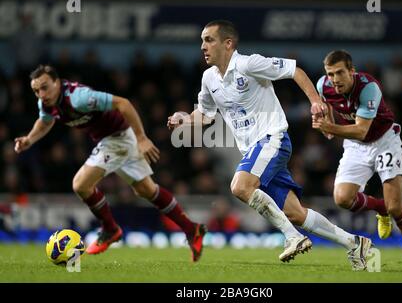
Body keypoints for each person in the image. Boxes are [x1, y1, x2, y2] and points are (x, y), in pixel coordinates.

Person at [168, 20, 372, 270]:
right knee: (296, 213)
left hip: (272, 139)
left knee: (240, 186)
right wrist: (185, 119)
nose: (203, 46)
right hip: (255, 150)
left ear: (228, 44)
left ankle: (293, 237)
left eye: (209, 39)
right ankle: (355, 243)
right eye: (202, 40)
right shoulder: (209, 78)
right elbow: (206, 115)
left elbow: (294, 70)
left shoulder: (249, 63)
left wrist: (315, 102)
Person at [14, 65, 206, 262]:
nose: (41, 94)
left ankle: (110, 229)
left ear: (57, 82)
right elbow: (45, 121)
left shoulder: (78, 97)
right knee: (146, 190)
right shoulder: (46, 103)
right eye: (36, 90)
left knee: (81, 184)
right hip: (115, 139)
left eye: (45, 87)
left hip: (117, 138)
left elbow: (123, 104)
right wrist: (29, 139)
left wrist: (141, 138)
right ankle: (192, 229)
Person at [312, 50, 402, 267]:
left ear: (352, 72)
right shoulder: (323, 85)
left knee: (396, 207)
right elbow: (326, 103)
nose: (334, 80)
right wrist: (326, 117)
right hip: (356, 147)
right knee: (342, 198)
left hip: (384, 141)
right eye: (330, 74)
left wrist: (330, 128)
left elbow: (362, 130)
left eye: (339, 73)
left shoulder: (368, 88)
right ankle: (379, 208)